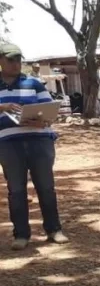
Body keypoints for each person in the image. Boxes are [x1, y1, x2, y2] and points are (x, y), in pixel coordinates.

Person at [0, 43, 68, 249]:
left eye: (19, 59)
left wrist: (43, 121)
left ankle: (54, 230)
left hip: (39, 140)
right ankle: (21, 235)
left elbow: (50, 111)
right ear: (0, 61)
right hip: (9, 145)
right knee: (17, 190)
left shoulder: (34, 83)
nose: (16, 64)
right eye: (11, 60)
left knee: (46, 187)